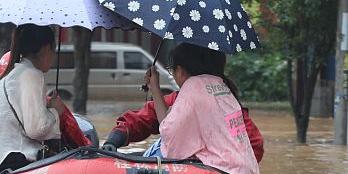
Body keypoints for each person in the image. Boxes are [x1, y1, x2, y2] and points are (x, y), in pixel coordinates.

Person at [100, 49, 264, 162]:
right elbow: (147, 119)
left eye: (173, 69)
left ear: (182, 71)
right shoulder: (183, 100)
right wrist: (113, 141)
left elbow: (252, 145)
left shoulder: (226, 106)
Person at [145, 42, 263, 174]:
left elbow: (168, 136)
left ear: (179, 70)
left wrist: (154, 86)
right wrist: (155, 88)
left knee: (158, 148)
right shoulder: (220, 85)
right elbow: (168, 127)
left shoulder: (193, 88)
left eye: (171, 70)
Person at [0, 25, 77, 174]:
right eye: (53, 50)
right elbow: (37, 128)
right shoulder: (30, 74)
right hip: (10, 161)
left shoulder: (12, 74)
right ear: (46, 48)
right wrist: (56, 111)